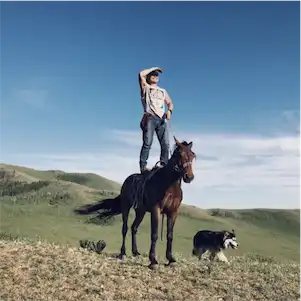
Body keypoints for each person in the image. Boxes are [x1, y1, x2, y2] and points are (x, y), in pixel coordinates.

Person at [138, 66, 174, 173]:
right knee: (147, 142)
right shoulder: (146, 88)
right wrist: (155, 68)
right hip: (150, 117)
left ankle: (164, 164)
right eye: (152, 75)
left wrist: (169, 111)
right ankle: (143, 166)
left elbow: (170, 103)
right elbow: (141, 74)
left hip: (161, 118)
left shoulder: (162, 91)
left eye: (156, 75)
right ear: (148, 77)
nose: (155, 76)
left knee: (165, 143)